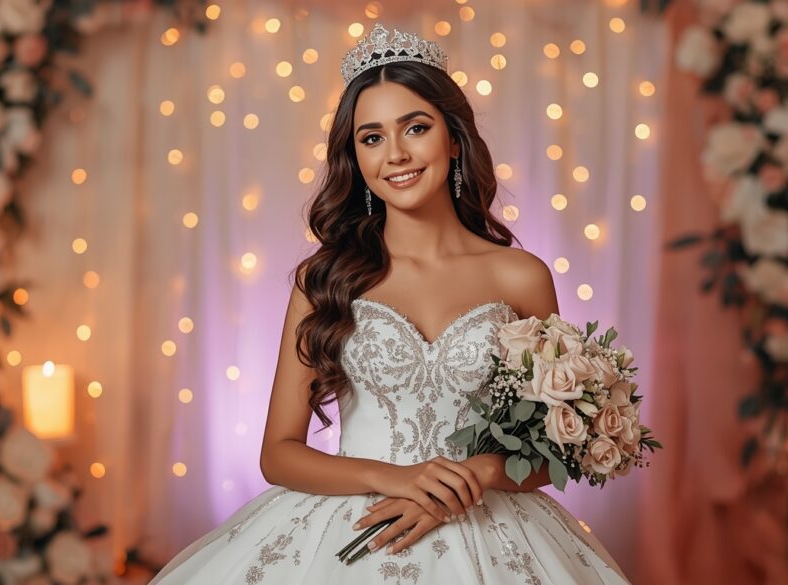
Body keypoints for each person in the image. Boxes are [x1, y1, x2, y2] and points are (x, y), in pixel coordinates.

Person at [150, 23, 630, 584]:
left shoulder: (519, 275)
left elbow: (556, 447)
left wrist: (472, 474)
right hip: (353, 523)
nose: (396, 154)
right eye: (371, 137)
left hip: (495, 531)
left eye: (416, 128)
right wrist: (395, 477)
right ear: (354, 157)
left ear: (454, 139)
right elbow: (278, 454)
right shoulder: (326, 280)